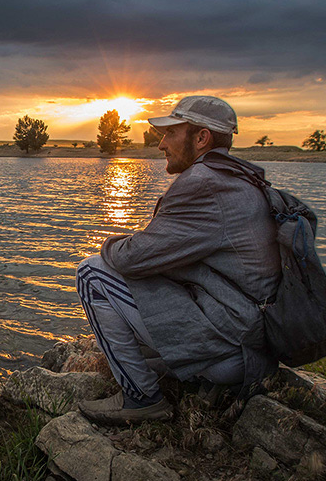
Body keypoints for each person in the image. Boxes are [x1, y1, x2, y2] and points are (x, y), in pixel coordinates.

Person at [77, 95, 281, 424]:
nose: (161, 145)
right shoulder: (242, 178)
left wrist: (110, 245)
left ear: (201, 138)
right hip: (253, 342)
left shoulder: (202, 184)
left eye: (171, 133)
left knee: (91, 272)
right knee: (145, 299)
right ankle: (187, 373)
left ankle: (141, 398)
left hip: (234, 347)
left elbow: (131, 259)